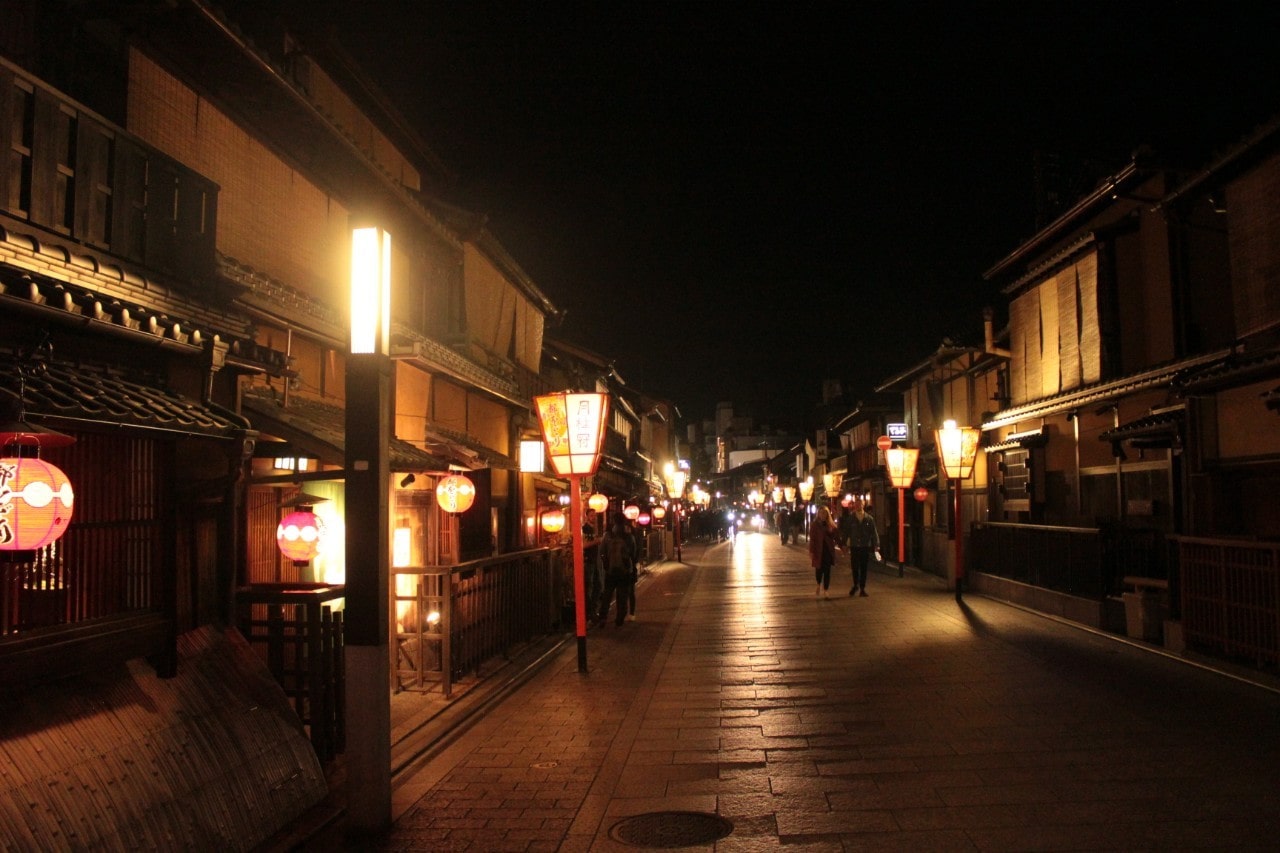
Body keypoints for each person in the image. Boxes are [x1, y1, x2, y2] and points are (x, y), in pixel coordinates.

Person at [596, 515, 632, 627]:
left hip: (610, 570)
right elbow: (634, 551)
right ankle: (619, 618)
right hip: (624, 570)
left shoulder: (607, 536)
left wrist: (605, 563)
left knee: (607, 594)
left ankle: (603, 617)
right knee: (622, 595)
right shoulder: (627, 536)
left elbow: (601, 551)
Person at [843, 501, 880, 596]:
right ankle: (855, 584)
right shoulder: (851, 519)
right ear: (854, 506)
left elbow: (874, 532)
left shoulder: (869, 519)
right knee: (855, 567)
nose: (858, 506)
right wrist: (844, 544)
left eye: (860, 504)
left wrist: (876, 545)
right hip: (854, 546)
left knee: (864, 567)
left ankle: (862, 588)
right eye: (856, 504)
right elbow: (846, 532)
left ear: (863, 505)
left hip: (864, 546)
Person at [808, 505, 840, 597]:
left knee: (827, 571)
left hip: (828, 550)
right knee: (819, 569)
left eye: (825, 513)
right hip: (818, 550)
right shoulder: (815, 525)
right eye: (821, 513)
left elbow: (836, 537)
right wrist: (811, 551)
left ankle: (826, 589)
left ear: (827, 514)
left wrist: (842, 547)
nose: (823, 515)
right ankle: (818, 584)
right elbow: (812, 539)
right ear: (818, 514)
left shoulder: (831, 525)